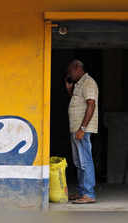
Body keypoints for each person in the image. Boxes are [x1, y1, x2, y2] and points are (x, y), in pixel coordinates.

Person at [65, 59, 99, 204]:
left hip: (82, 130)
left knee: (85, 161)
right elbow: (77, 103)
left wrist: (82, 129)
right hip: (76, 129)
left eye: (70, 71)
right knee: (79, 162)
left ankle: (89, 194)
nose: (69, 74)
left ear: (77, 68)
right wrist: (69, 89)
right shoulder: (79, 84)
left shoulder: (88, 82)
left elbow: (91, 105)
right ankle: (82, 192)